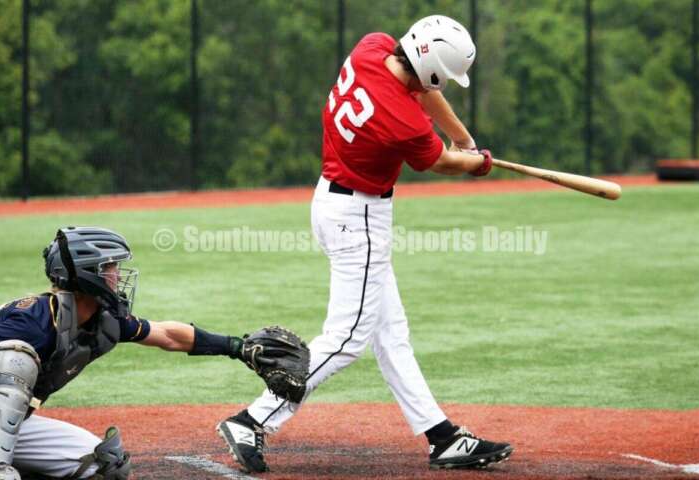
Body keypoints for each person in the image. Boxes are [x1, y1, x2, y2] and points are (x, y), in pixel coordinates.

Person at [218, 14, 512, 473]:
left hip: (331, 200)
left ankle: (442, 436)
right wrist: (475, 163)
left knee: (391, 333)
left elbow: (424, 90)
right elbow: (440, 162)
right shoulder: (406, 123)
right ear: (433, 67)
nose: (445, 86)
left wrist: (463, 138)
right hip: (360, 219)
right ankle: (253, 419)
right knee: (348, 338)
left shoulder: (371, 46)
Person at [0, 227, 282, 480]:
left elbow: (166, 334)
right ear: (87, 273)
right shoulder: (34, 319)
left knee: (103, 464)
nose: (118, 276)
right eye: (110, 268)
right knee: (17, 359)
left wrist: (237, 347)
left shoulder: (101, 321)